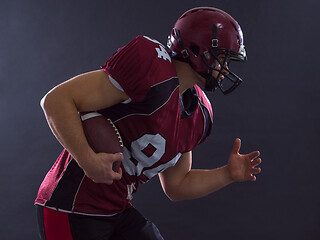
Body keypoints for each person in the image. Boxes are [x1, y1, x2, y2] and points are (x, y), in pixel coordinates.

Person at [35, 7, 262, 240]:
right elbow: (55, 101)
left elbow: (177, 185)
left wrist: (228, 174)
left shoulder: (199, 114)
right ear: (197, 49)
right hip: (71, 205)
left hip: (116, 209)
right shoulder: (151, 65)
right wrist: (87, 159)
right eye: (222, 58)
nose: (225, 69)